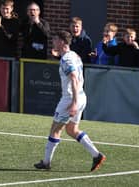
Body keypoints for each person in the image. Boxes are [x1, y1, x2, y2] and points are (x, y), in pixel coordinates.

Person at [34, 31, 106, 172]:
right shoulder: (73, 55)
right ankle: (96, 155)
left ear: (62, 42)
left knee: (55, 129)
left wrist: (73, 102)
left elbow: (73, 77)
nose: (53, 42)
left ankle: (46, 162)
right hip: (81, 96)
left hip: (71, 98)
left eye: (55, 40)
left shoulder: (67, 59)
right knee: (72, 130)